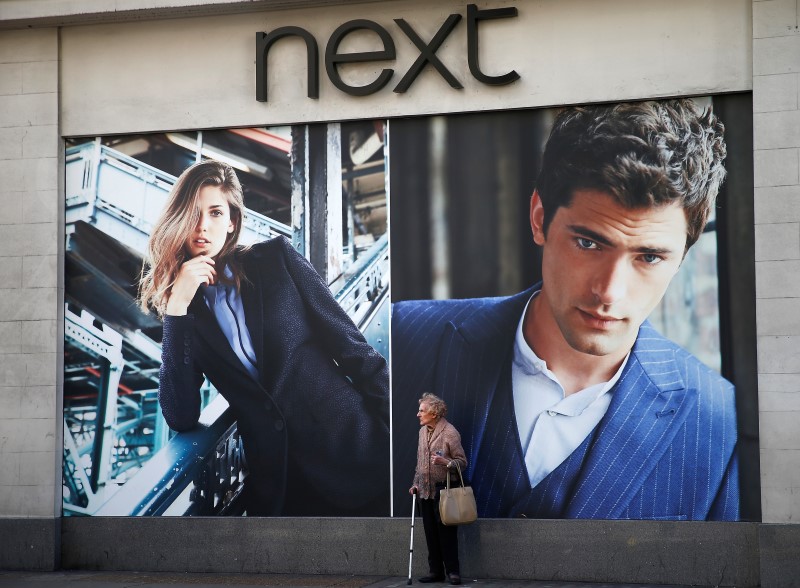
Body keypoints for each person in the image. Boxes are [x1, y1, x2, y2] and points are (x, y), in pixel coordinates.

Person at [392, 99, 739, 521]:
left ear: (683, 256)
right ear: (539, 218)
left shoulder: (721, 425)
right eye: (588, 243)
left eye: (649, 258)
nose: (609, 292)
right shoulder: (403, 338)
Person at [139, 160, 389, 516]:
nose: (201, 227)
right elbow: (180, 415)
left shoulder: (276, 260)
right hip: (284, 486)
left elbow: (355, 351)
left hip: (356, 453)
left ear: (232, 222)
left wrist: (407, 436)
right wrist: (177, 307)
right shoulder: (186, 315)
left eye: (214, 213)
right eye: (193, 214)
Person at [410, 393, 467, 585]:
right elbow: (420, 462)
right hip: (425, 491)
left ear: (434, 413)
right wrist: (415, 483)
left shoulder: (450, 432)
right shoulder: (422, 432)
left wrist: (446, 462)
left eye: (422, 410)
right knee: (430, 533)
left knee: (446, 534)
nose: (418, 414)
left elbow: (463, 462)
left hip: (445, 492)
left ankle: (453, 571)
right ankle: (435, 571)